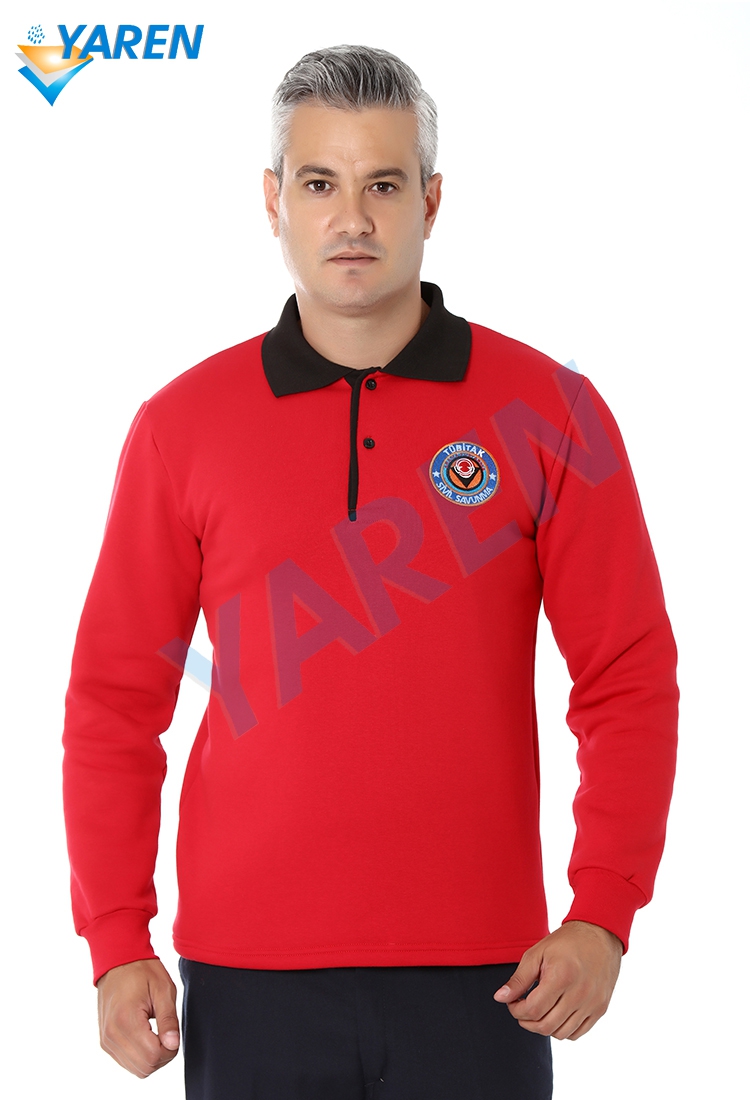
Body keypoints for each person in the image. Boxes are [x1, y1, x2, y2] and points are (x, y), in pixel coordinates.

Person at [62, 44, 679, 1099]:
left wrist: (603, 912)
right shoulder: (182, 428)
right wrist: (117, 938)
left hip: (489, 975)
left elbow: (626, 677)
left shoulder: (551, 415)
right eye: (320, 184)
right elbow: (116, 699)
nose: (352, 217)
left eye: (383, 184)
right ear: (273, 201)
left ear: (431, 200)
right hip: (249, 976)